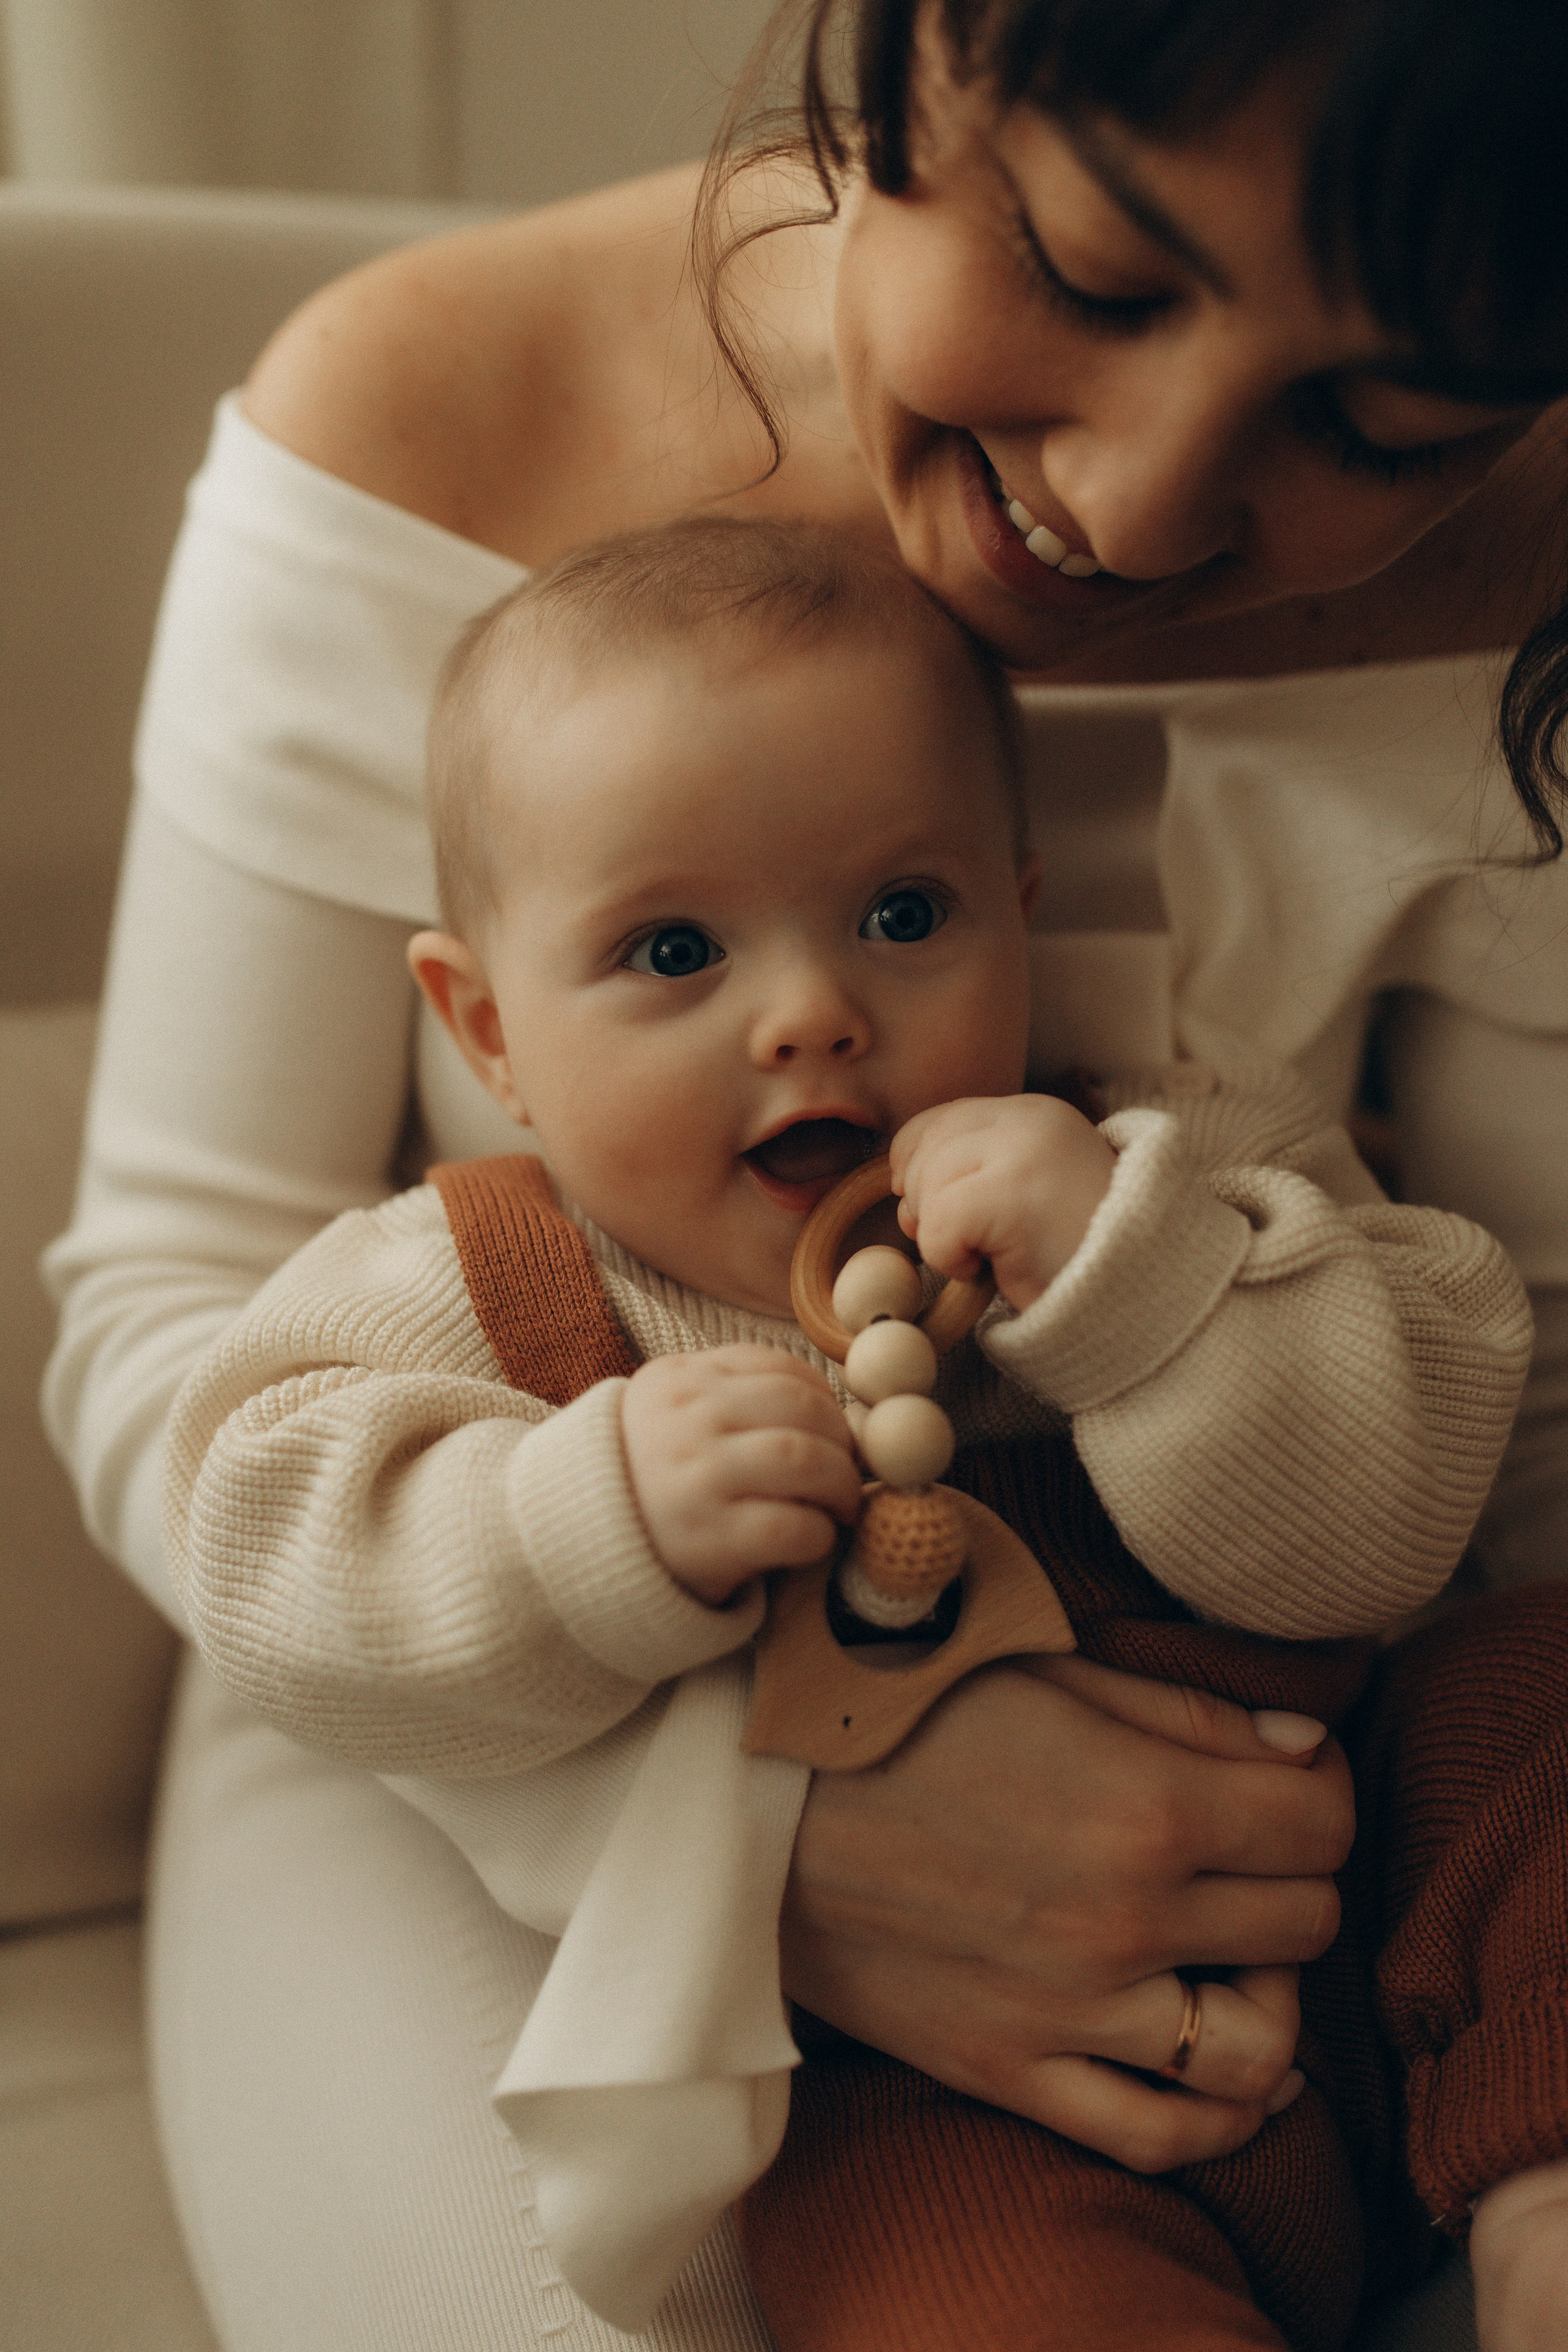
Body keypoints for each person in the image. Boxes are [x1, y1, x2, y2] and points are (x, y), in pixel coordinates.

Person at [38, 1, 1568, 2345]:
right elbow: (198, 1372)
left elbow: (1458, 1413)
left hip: (1390, 1741)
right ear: (918, 47)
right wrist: (745, 1839)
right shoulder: (434, 415)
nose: (1145, 504)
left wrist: (1158, 1289)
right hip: (504, 1731)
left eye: (1388, 427)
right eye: (1096, 271)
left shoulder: (1184, 1168)